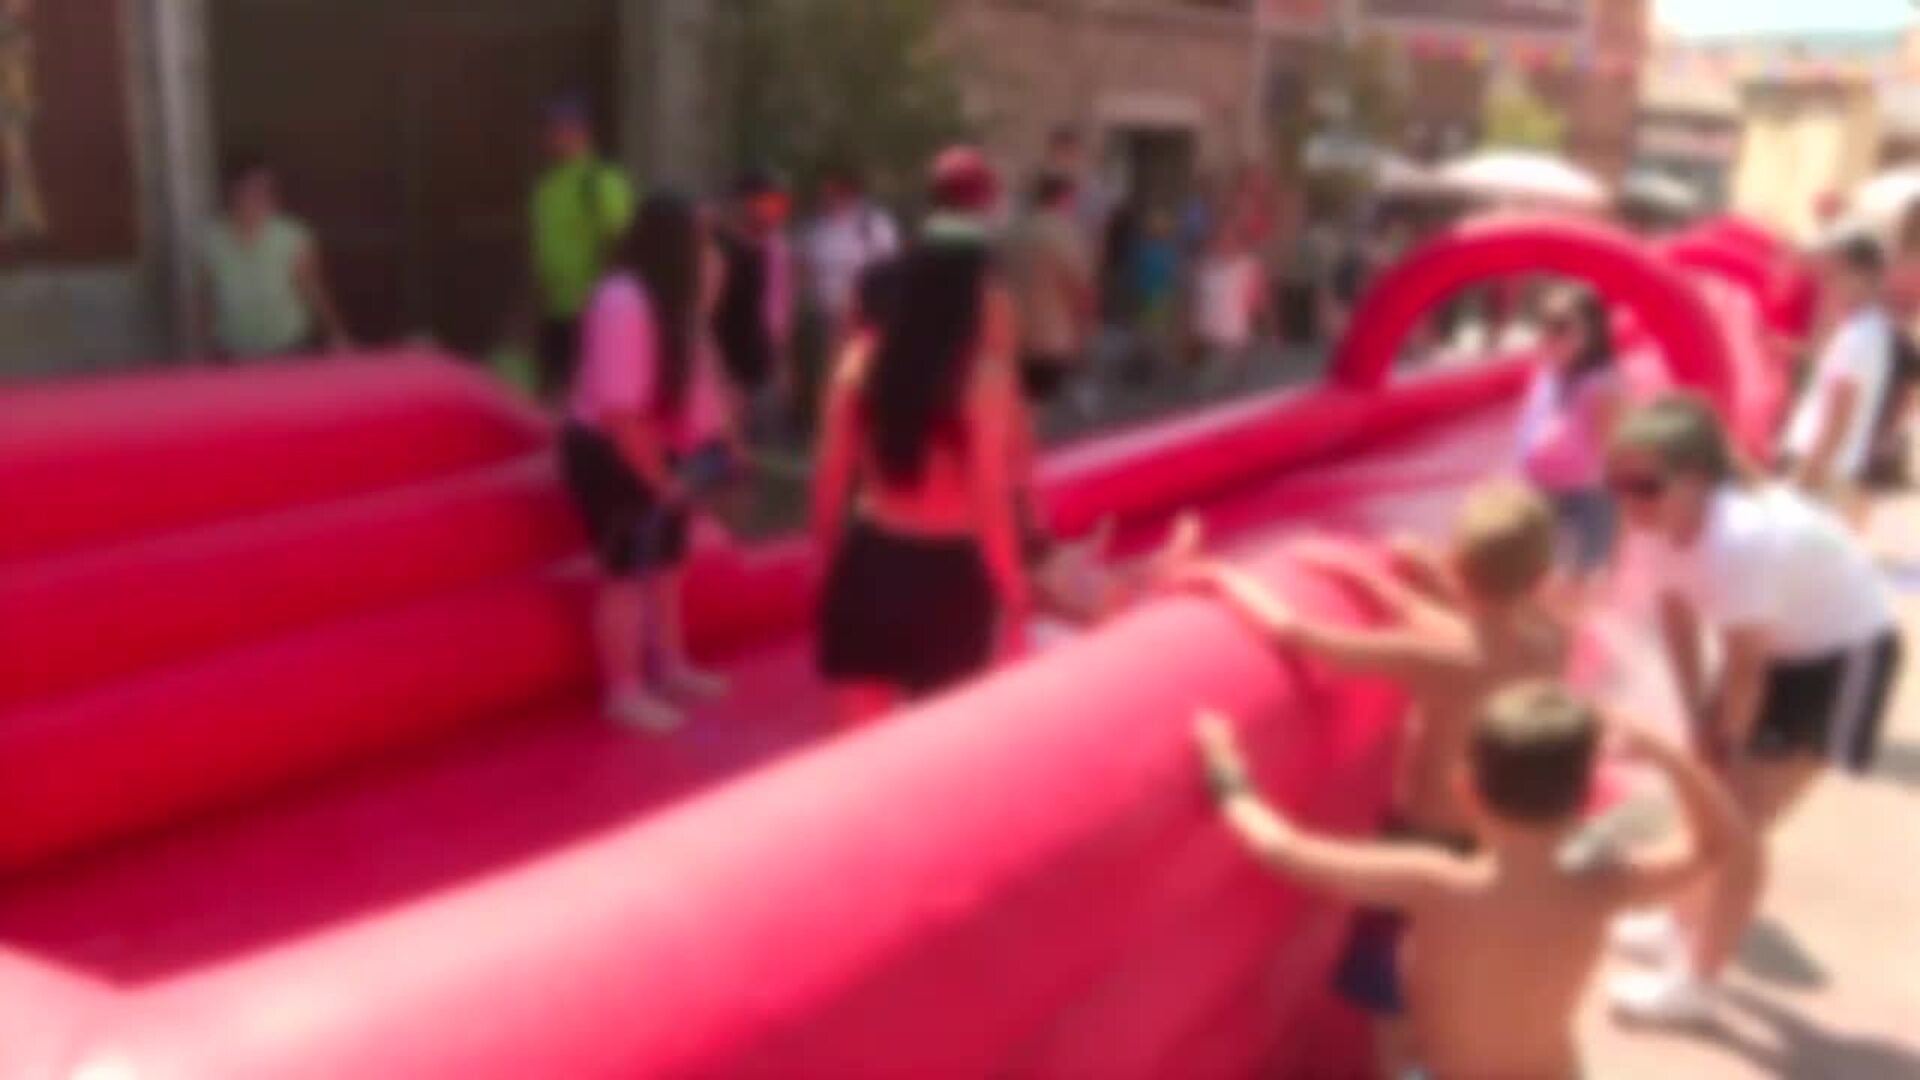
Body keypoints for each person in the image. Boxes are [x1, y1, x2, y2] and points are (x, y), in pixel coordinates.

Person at [1177, 481, 1568, 1077]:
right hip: (1501, 840)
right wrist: (1374, 582)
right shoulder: (1549, 642)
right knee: (1452, 982)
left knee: (1388, 997)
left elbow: (1300, 638)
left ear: (1456, 565)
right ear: (1541, 575)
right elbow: (1471, 615)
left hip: (1425, 841)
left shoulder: (1440, 658)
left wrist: (1224, 579)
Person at [1195, 683, 1746, 1080]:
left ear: (1466, 790)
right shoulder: (1602, 885)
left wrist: (1226, 771)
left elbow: (1283, 849)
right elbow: (1717, 844)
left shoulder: (1433, 881)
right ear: (1584, 797)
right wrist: (1668, 755)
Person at [1602, 393, 1902, 1023]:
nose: (1629, 501)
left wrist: (1725, 739)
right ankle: (1681, 923)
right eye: (1617, 484)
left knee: (1738, 819)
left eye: (1646, 486)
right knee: (1709, 789)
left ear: (1696, 479)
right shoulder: (1662, 525)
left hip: (1841, 658)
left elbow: (1745, 667)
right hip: (1777, 651)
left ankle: (1699, 983)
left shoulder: (1736, 540)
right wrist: (1695, 719)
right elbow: (1677, 617)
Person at [813, 148, 1030, 725]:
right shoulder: (983, 380)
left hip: (871, 559)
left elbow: (830, 476)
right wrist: (1013, 587)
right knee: (941, 748)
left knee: (857, 751)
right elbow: (990, 494)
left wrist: (827, 562)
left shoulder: (862, 360)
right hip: (948, 572)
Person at [561, 191, 734, 733]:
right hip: (614, 449)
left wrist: (703, 454)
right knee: (628, 572)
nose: (710, 254)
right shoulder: (624, 302)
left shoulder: (673, 300)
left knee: (668, 562)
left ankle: (671, 664)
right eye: (700, 241)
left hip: (659, 442)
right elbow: (619, 414)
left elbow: (695, 383)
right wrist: (659, 478)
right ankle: (624, 689)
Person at [1779, 232, 1896, 530]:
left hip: (1821, 472)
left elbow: (1838, 418)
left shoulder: (1857, 337)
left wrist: (1805, 480)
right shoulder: (1869, 330)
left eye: (1833, 277)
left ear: (1863, 276)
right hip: (1834, 469)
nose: (1827, 288)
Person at [1516, 287, 1629, 582]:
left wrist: (1623, 521)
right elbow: (1531, 428)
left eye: (1561, 327)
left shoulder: (1602, 384)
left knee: (1586, 578)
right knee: (1541, 578)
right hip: (1542, 492)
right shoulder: (1546, 374)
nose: (1550, 336)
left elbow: (1618, 451)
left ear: (1592, 332)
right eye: (1544, 326)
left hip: (1588, 497)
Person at [530, 97, 636, 400]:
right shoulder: (547, 187)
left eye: (561, 128)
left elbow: (622, 241)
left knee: (590, 398)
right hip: (555, 311)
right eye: (549, 129)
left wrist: (607, 301)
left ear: (582, 132)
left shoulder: (600, 181)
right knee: (554, 394)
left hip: (594, 312)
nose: (552, 136)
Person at [196, 154, 352, 360]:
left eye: (267, 190)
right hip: (232, 349)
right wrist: (200, 346)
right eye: (250, 189)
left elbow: (312, 287)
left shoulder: (293, 235)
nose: (260, 197)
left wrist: (336, 333)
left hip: (288, 344)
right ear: (232, 192)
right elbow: (207, 297)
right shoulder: (211, 240)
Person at [712, 171, 796, 439]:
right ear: (743, 203)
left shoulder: (777, 249)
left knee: (759, 432)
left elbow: (780, 306)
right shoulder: (718, 245)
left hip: (760, 351)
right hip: (722, 348)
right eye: (767, 204)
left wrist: (781, 357)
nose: (775, 213)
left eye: (779, 205)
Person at [1006, 172, 1097, 407]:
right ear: (1064, 199)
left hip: (1012, 338)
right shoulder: (1064, 234)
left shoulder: (1011, 232)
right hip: (1052, 340)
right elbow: (1081, 288)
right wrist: (1084, 334)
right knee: (1047, 408)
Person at [801, 165, 901, 348]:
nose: (826, 194)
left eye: (832, 189)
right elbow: (805, 269)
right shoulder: (813, 228)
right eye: (824, 189)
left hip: (864, 316)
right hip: (825, 317)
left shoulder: (873, 223)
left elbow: (889, 267)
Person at [1190, 222, 1267, 385]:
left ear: (1240, 242)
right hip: (1205, 332)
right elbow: (1196, 297)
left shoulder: (1248, 267)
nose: (1224, 243)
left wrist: (1260, 328)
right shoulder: (1205, 265)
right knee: (1220, 378)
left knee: (1208, 382)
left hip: (1233, 335)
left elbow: (1258, 302)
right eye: (1219, 238)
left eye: (1230, 239)